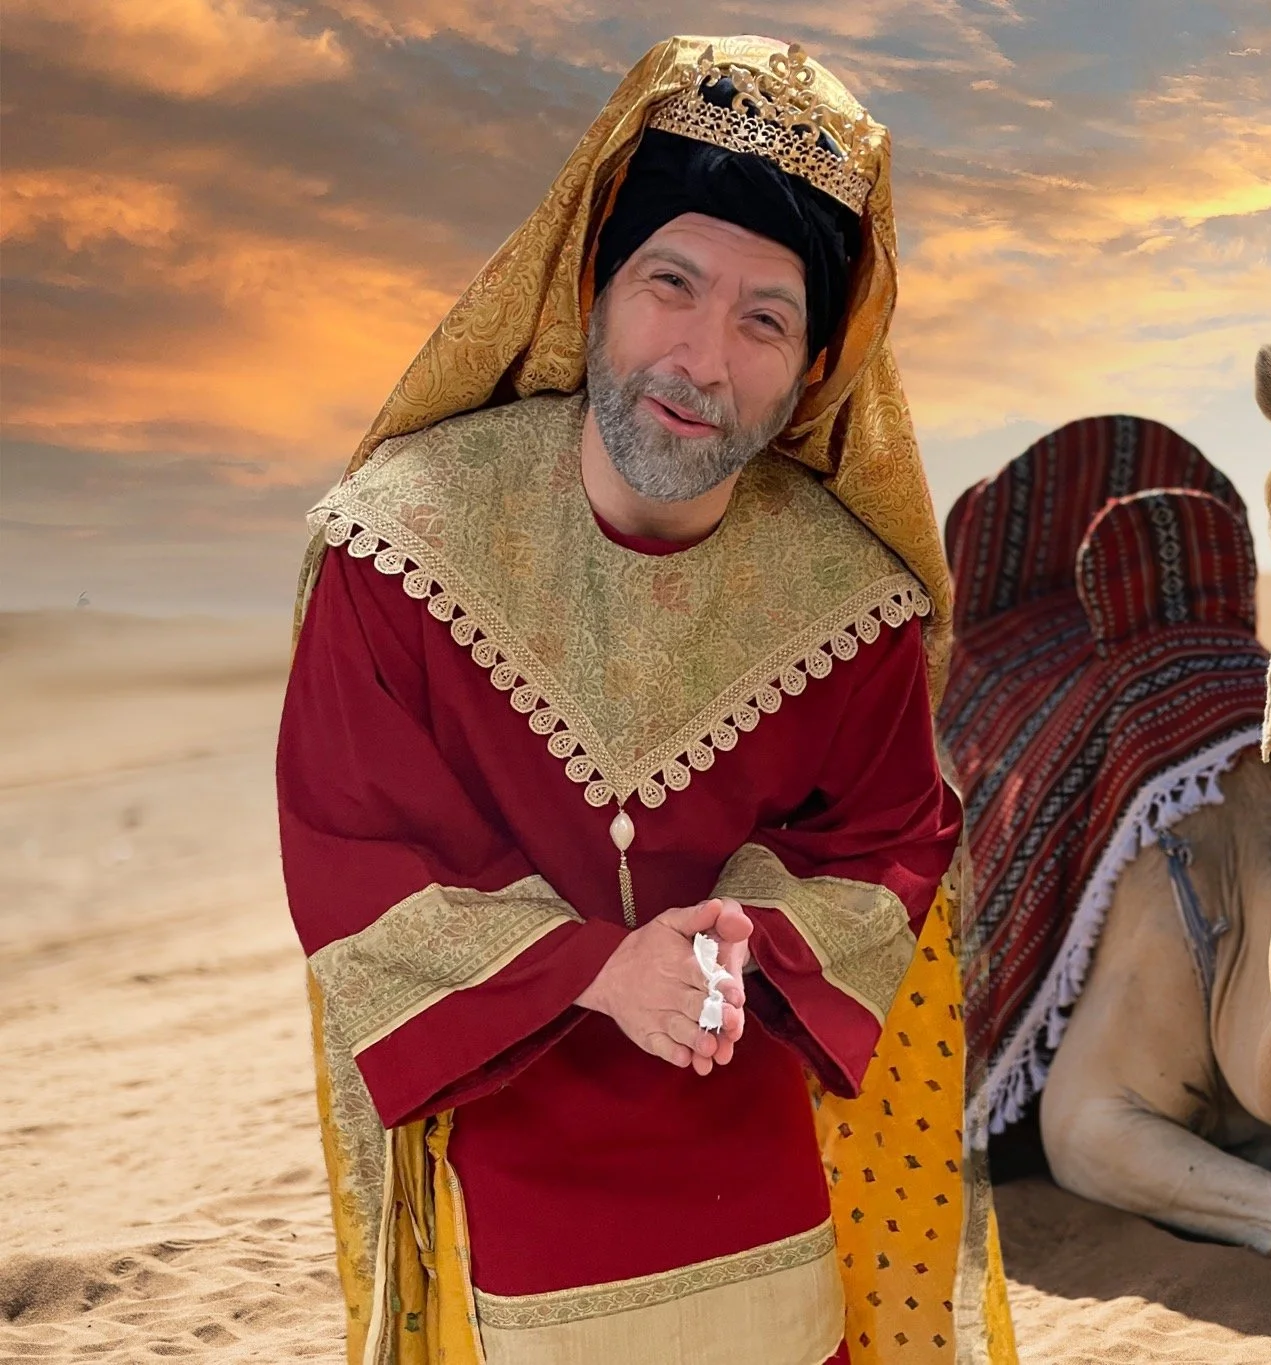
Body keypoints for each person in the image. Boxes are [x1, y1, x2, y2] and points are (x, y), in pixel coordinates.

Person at [278, 36, 1014, 1365]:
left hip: (760, 1201)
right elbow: (354, 850)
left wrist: (751, 944)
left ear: (814, 371)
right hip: (504, 1186)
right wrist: (602, 970)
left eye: (765, 318)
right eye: (671, 285)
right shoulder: (399, 545)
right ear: (592, 286)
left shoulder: (854, 602)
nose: (702, 359)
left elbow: (888, 836)